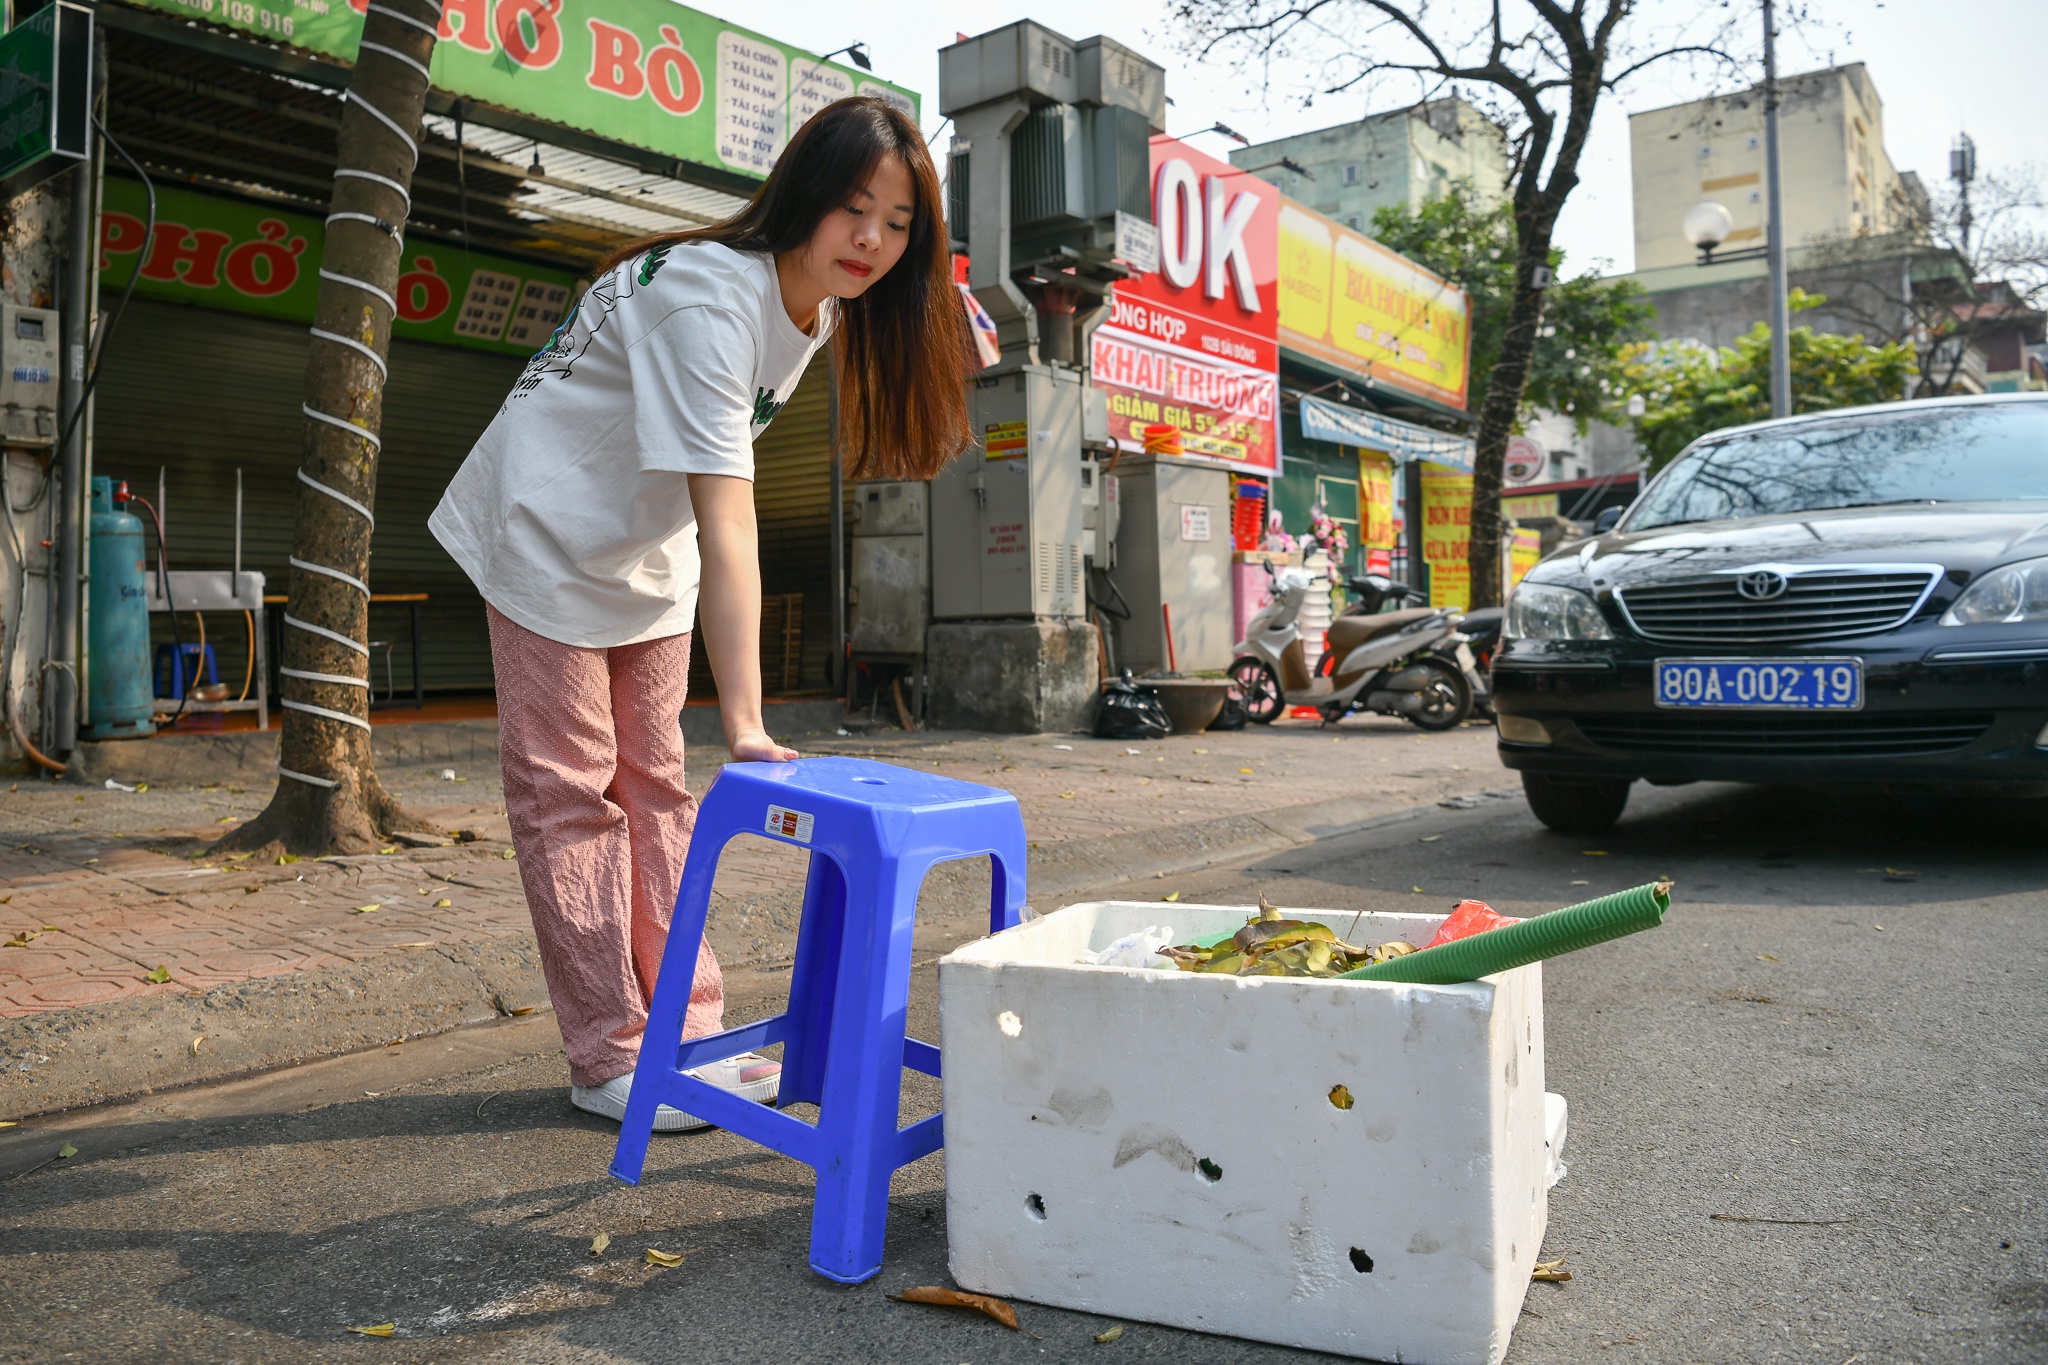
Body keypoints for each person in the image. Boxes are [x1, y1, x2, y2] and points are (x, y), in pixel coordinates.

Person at [428, 96, 969, 1130]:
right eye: (855, 208)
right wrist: (750, 721)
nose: (871, 240)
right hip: (545, 524)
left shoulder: (819, 306)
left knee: (657, 788)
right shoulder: (706, 300)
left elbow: (710, 510)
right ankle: (609, 1054)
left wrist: (736, 718)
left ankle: (688, 1032)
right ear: (805, 195)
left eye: (898, 223)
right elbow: (734, 526)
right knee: (570, 796)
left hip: (646, 543)